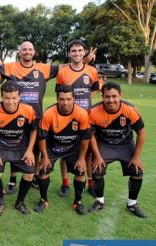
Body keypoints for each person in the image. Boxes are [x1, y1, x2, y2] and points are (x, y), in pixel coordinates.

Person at [0, 41, 59, 194]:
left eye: (30, 49)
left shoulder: (43, 68)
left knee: (34, 149)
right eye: (24, 49)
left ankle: (35, 176)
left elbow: (68, 68)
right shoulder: (10, 67)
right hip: (15, 116)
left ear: (34, 52)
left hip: (35, 117)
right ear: (19, 52)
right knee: (14, 145)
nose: (27, 52)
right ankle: (12, 180)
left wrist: (85, 61)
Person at [88, 82, 147, 218]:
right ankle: (99, 201)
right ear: (102, 97)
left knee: (137, 171)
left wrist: (136, 156)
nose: (111, 100)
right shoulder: (94, 111)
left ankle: (132, 204)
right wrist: (97, 156)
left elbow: (142, 132)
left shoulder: (130, 109)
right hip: (105, 144)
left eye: (114, 96)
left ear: (120, 95)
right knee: (97, 169)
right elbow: (90, 135)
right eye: (107, 97)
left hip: (125, 144)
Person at [35, 85, 91, 215]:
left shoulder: (81, 113)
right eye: (62, 99)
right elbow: (42, 137)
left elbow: (85, 138)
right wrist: (44, 156)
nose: (65, 102)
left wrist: (82, 158)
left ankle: (78, 202)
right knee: (43, 170)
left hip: (73, 147)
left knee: (81, 171)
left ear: (74, 99)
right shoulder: (49, 113)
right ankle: (43, 200)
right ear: (57, 99)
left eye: (68, 99)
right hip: (52, 146)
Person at [0, 81, 37, 216]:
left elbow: (33, 130)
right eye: (7, 98)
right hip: (1, 146)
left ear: (19, 97)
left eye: (14, 98)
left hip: (20, 147)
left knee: (30, 172)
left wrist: (30, 150)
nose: (10, 102)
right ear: (2, 97)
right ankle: (0, 203)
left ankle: (20, 202)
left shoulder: (28, 110)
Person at [56, 39, 100, 198]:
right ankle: (65, 183)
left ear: (85, 52)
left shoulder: (92, 71)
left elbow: (94, 91)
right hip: (68, 119)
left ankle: (89, 183)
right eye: (73, 51)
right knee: (64, 151)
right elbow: (59, 96)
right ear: (69, 53)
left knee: (86, 152)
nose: (77, 53)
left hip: (86, 118)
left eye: (80, 51)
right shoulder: (63, 72)